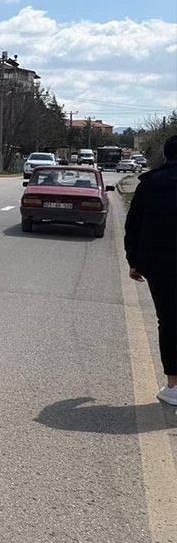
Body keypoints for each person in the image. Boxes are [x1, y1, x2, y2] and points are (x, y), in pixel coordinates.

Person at [124, 133, 177, 406]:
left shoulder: (150, 184)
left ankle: (173, 386)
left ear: (166, 155)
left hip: (160, 264)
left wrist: (134, 262)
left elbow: (134, 224)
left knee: (169, 321)